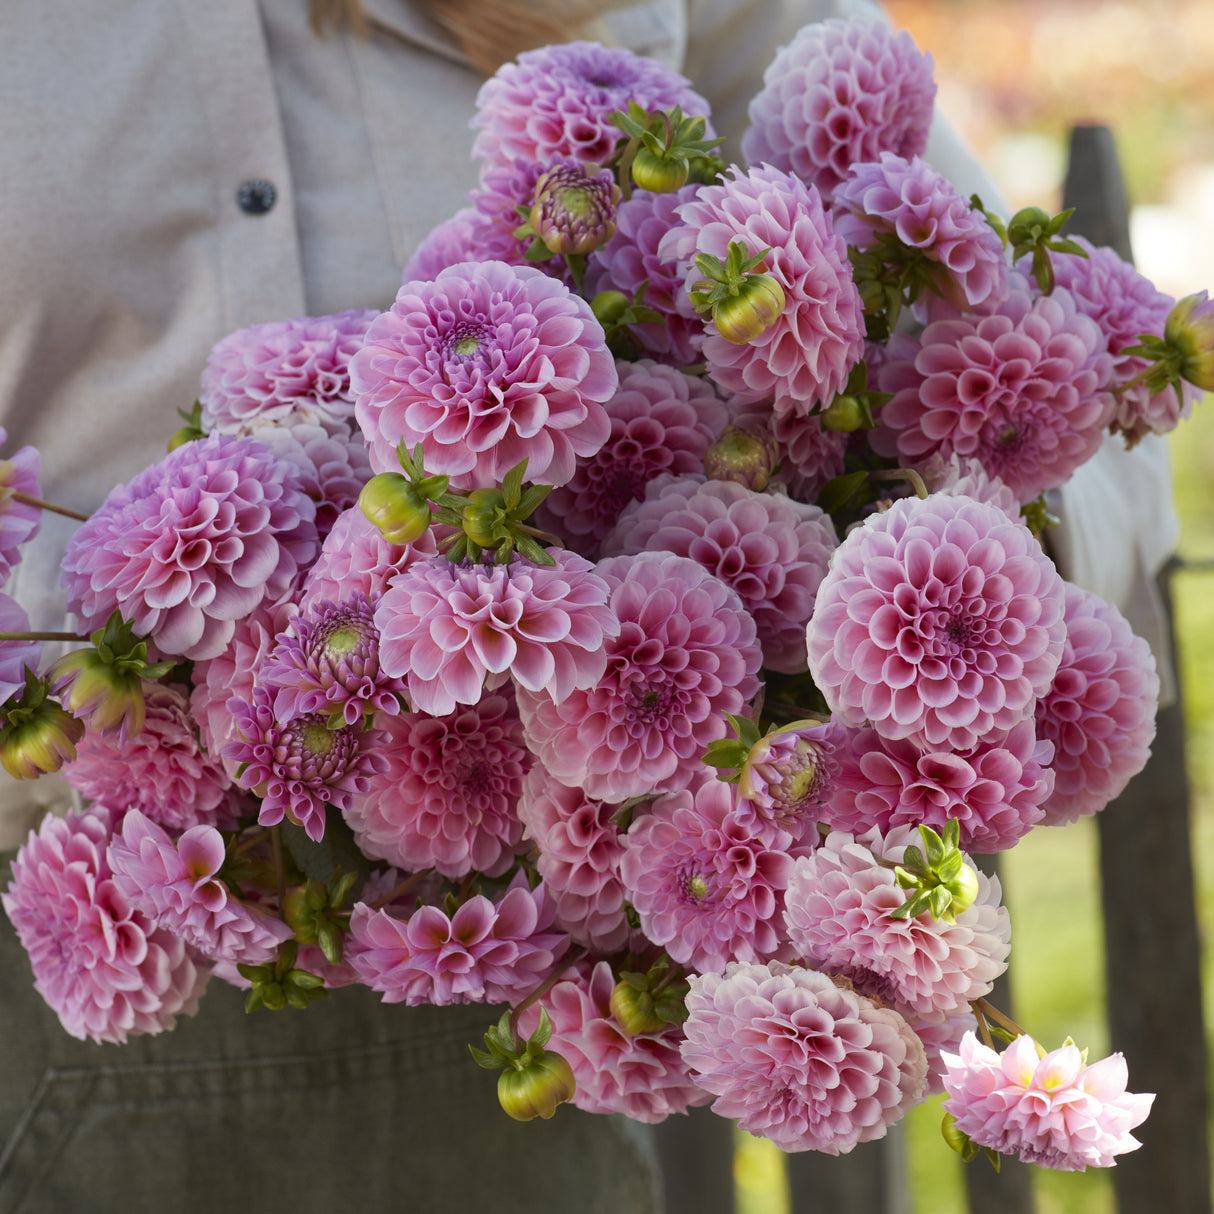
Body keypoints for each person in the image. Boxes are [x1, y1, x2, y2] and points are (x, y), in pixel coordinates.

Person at [0, 2, 1178, 1211]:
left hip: (536, 1038)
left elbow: (1074, 395)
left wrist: (938, 607)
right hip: (61, 1018)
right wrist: (134, 657)